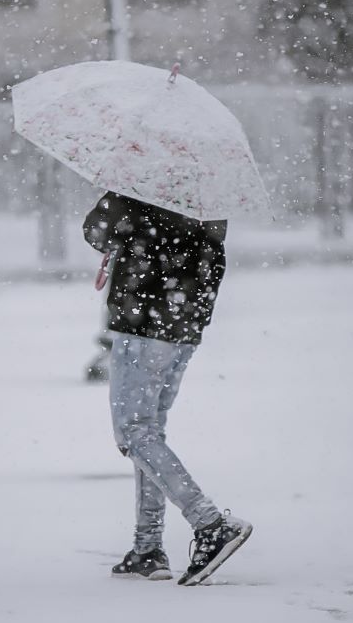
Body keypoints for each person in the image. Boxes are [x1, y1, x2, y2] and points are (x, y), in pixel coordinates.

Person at [83, 191, 252, 586]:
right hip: (182, 325)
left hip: (143, 324)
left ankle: (210, 524)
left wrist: (115, 208)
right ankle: (147, 548)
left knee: (133, 432)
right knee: (149, 432)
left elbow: (96, 230)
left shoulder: (139, 184)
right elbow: (209, 254)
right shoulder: (207, 193)